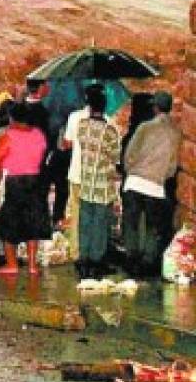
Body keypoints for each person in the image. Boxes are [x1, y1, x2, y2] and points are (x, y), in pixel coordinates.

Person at [121, 91, 181, 277]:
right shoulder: (176, 133)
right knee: (152, 227)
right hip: (156, 186)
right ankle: (147, 264)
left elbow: (129, 154)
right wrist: (161, 176)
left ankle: (132, 261)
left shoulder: (145, 127)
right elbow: (172, 166)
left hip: (135, 182)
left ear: (155, 107)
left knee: (131, 224)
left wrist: (130, 170)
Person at [0, 102, 51, 275]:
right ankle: (32, 265)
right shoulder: (39, 135)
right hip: (35, 180)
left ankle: (12, 264)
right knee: (33, 221)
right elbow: (41, 154)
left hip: (15, 181)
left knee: (9, 222)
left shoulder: (8, 136)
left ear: (12, 118)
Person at [73, 95, 122, 278]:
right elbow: (116, 157)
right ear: (104, 107)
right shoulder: (110, 131)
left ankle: (83, 260)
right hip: (103, 186)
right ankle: (96, 262)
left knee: (85, 223)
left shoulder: (82, 125)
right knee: (100, 226)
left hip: (86, 183)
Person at [60, 84, 109, 256]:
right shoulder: (108, 121)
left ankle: (76, 251)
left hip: (77, 174)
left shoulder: (74, 117)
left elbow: (67, 144)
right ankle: (95, 253)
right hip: (97, 177)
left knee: (77, 214)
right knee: (97, 216)